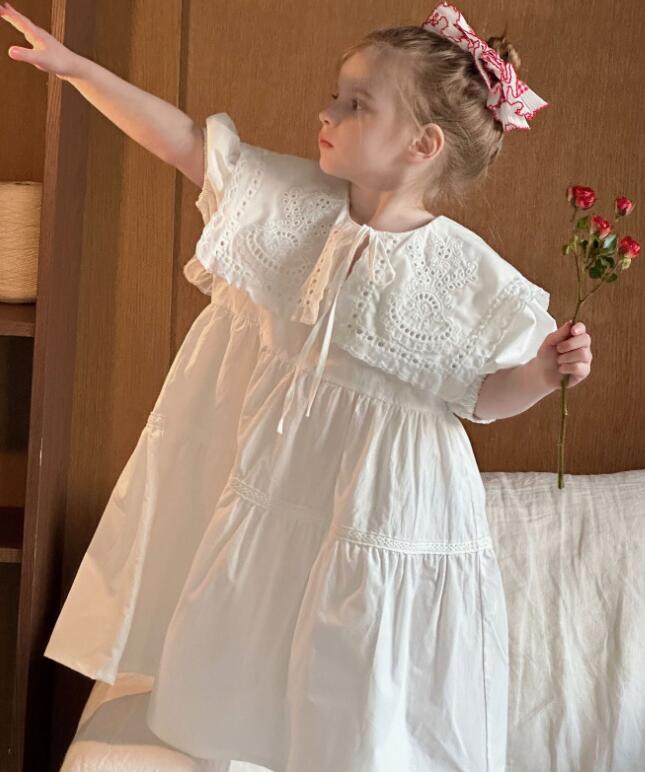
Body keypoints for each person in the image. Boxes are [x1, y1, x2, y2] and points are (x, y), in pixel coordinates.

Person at [2, 2, 593, 770]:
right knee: (262, 593)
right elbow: (185, 141)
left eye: (356, 105)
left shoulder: (464, 271)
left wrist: (543, 374)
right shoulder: (292, 203)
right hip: (285, 473)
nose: (327, 113)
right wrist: (78, 70)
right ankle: (238, 733)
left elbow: (480, 397)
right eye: (334, 96)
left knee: (358, 631)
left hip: (386, 493)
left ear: (421, 144)